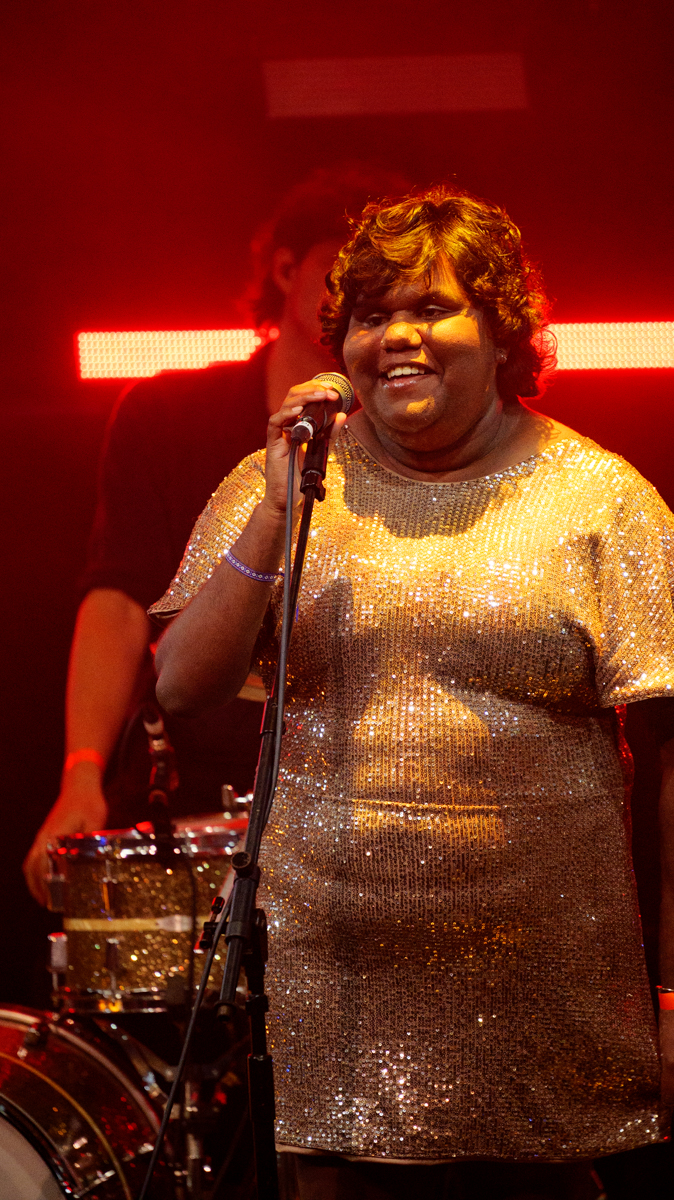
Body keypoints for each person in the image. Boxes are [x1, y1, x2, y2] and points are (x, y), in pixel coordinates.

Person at [153, 184, 674, 1199]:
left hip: (543, 1002)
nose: (397, 336)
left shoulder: (601, 500)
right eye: (370, 314)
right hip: (335, 1005)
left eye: (432, 308)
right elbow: (181, 686)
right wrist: (274, 513)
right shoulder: (280, 484)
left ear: (500, 332)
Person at [23, 165, 410, 907]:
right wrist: (82, 773)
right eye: (342, 273)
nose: (359, 301)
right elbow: (117, 602)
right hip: (190, 782)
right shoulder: (166, 417)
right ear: (286, 270)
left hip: (368, 793)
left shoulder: (418, 429)